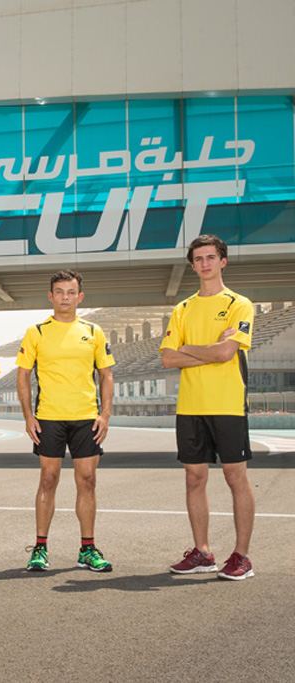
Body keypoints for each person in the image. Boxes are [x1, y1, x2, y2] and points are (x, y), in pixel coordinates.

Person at [160, 234, 256, 580]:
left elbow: (226, 353)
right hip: (190, 406)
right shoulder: (182, 309)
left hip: (228, 404)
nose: (205, 263)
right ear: (192, 265)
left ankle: (242, 557)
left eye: (210, 257)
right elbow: (167, 358)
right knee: (194, 478)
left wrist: (188, 349)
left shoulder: (239, 304)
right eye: (198, 258)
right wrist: (209, 349)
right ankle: (203, 553)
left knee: (235, 477)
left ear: (222, 261)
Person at [16, 270, 115, 573]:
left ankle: (87, 549)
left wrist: (105, 414)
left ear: (80, 297)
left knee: (87, 480)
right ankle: (40, 549)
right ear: (51, 296)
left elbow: (106, 375)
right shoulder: (36, 332)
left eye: (71, 292)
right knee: (48, 479)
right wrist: (28, 416)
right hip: (49, 417)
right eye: (59, 292)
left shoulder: (93, 331)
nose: (65, 297)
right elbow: (23, 375)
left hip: (86, 418)